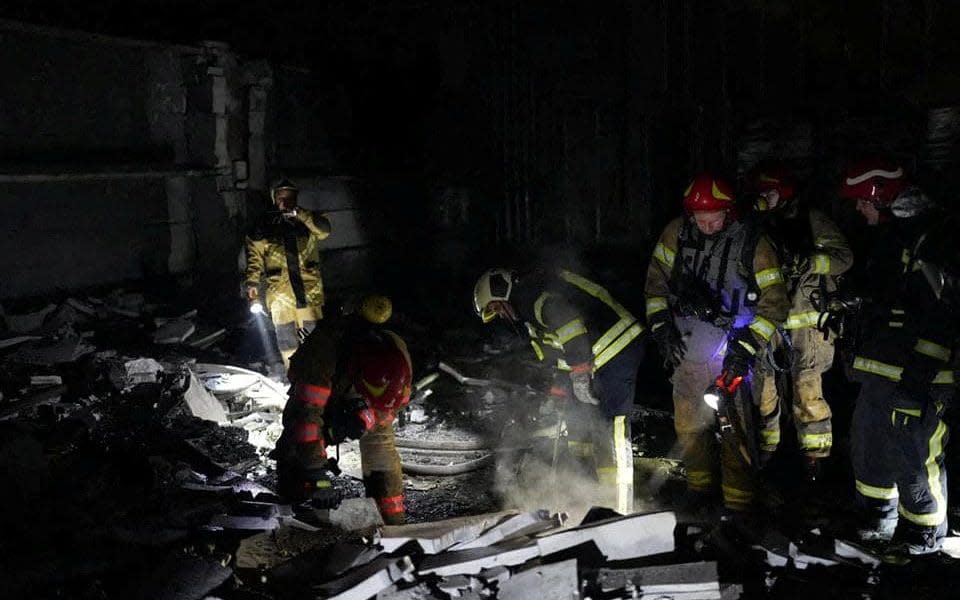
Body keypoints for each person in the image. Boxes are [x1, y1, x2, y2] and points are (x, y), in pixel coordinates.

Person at [644, 174, 789, 515]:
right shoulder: (676, 233)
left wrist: (745, 349)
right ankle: (699, 490)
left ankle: (738, 504)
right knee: (688, 422)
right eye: (699, 219)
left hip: (734, 346)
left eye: (713, 219)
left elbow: (775, 303)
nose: (706, 227)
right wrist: (662, 325)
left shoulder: (754, 243)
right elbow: (655, 284)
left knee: (735, 427)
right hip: (688, 341)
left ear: (729, 213)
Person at [839, 160, 955, 555]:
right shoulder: (891, 237)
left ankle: (922, 532)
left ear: (882, 198)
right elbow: (887, 294)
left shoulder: (936, 239)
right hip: (881, 368)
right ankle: (877, 514)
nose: (859, 210)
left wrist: (918, 380)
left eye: (863, 202)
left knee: (914, 450)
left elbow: (943, 316)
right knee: (870, 441)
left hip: (920, 373)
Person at [473, 267, 645, 514]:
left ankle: (619, 507)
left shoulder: (531, 297)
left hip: (618, 345)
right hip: (592, 357)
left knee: (611, 426)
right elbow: (556, 353)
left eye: (497, 307)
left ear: (503, 292)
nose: (501, 315)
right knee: (577, 429)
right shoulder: (526, 315)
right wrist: (559, 389)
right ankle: (586, 496)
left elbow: (570, 327)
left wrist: (581, 372)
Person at [748, 164, 853, 480]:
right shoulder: (755, 225)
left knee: (807, 388)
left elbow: (843, 258)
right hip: (769, 319)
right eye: (760, 193)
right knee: (762, 384)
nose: (764, 198)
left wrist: (809, 261)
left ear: (785, 193)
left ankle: (814, 460)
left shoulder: (812, 220)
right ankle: (767, 452)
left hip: (807, 322)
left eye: (770, 191)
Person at [271, 296, 411, 524]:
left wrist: (367, 419)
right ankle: (294, 509)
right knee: (296, 451)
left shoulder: (398, 356)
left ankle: (392, 522)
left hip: (363, 401)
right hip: (330, 397)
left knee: (382, 455)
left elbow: (393, 406)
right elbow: (306, 418)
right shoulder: (323, 355)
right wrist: (319, 479)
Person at [245, 178, 332, 368]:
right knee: (287, 343)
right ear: (274, 200)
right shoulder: (264, 227)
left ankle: (317, 376)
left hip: (308, 294)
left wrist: (300, 214)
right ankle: (293, 378)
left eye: (289, 198)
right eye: (280, 198)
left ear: (296, 199)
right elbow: (254, 259)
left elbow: (325, 231)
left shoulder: (308, 222)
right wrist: (252, 285)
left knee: (314, 341)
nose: (284, 203)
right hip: (280, 297)